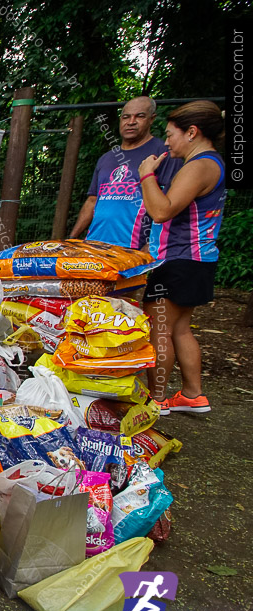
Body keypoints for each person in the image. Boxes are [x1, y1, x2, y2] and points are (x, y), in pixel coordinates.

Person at [138, 100, 226, 416]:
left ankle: (156, 399)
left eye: (170, 134)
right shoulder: (212, 163)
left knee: (158, 329)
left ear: (192, 132)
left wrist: (147, 175)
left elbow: (161, 210)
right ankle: (192, 394)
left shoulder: (199, 165)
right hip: (196, 260)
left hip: (178, 259)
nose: (166, 142)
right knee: (180, 329)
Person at [70, 96, 180, 248]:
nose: (131, 122)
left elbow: (171, 204)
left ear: (152, 119)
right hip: (94, 246)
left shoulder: (164, 152)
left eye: (139, 116)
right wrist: (71, 238)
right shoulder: (106, 158)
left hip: (134, 249)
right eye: (126, 117)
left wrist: (151, 246)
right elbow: (92, 201)